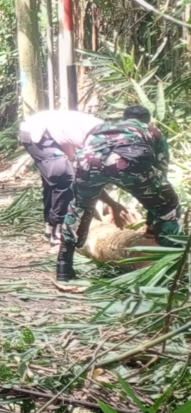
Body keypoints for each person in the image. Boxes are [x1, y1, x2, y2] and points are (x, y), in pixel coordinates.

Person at [56, 105, 182, 281]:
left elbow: (90, 163)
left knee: (79, 208)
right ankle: (170, 257)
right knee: (169, 203)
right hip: (128, 163)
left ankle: (63, 265)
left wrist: (98, 200)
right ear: (147, 120)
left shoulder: (102, 128)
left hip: (87, 163)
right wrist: (151, 224)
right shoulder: (151, 130)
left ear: (123, 118)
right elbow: (161, 173)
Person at [19, 108, 102, 245]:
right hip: (36, 134)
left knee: (54, 181)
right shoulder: (85, 134)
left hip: (49, 133)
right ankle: (58, 230)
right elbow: (71, 152)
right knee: (65, 178)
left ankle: (49, 226)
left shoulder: (99, 132)